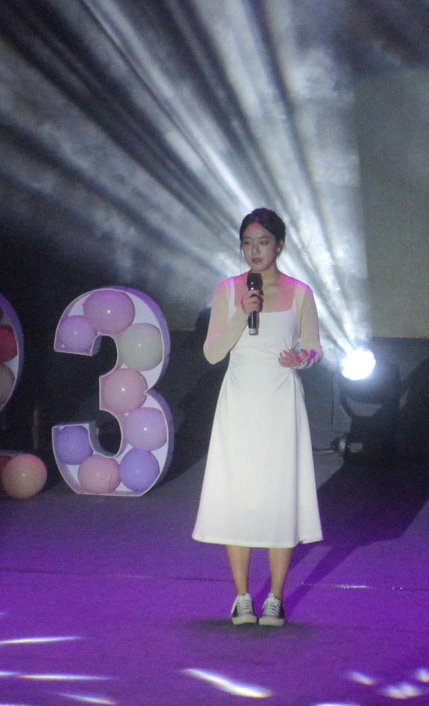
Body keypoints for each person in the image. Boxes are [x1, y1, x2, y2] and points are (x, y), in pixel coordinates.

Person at [192, 207, 323, 626]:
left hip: (280, 402)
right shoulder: (229, 290)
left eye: (263, 242)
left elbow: (314, 348)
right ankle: (242, 596)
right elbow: (212, 353)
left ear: (279, 246)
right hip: (240, 403)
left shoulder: (300, 293)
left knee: (279, 496)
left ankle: (276, 598)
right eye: (248, 243)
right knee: (240, 495)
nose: (255, 250)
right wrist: (239, 312)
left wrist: (301, 357)